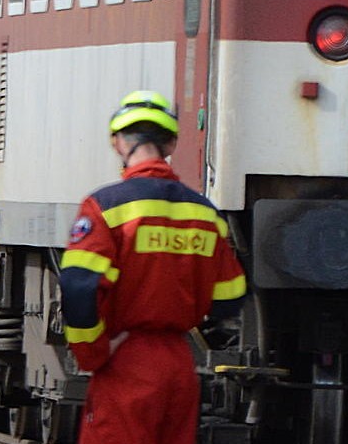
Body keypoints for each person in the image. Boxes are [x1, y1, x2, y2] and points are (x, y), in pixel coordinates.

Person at [60, 91, 245, 444]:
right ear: (171, 143)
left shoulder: (106, 208)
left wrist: (93, 353)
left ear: (118, 143)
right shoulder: (204, 213)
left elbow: (79, 286)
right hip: (179, 363)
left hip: (125, 357)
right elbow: (230, 296)